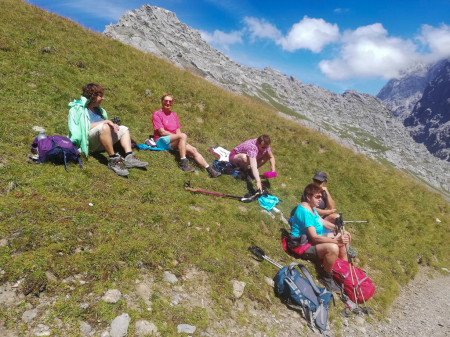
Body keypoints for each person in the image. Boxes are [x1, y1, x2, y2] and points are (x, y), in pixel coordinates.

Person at [68, 83, 148, 176]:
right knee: (105, 126)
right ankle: (113, 160)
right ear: (93, 96)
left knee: (124, 129)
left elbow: (104, 126)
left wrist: (113, 126)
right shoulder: (80, 109)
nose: (102, 98)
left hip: (101, 141)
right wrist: (105, 122)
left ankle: (129, 157)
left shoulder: (98, 110)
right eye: (100, 96)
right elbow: (83, 128)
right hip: (89, 143)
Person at [287, 183, 351, 291]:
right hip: (302, 244)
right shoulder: (305, 212)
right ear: (308, 197)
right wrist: (335, 240)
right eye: (317, 197)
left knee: (343, 236)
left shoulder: (312, 208)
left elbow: (322, 223)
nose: (320, 200)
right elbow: (314, 238)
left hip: (309, 240)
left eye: (321, 197)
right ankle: (326, 276)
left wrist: (338, 228)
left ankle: (344, 269)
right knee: (333, 247)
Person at [152, 93, 220, 178]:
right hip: (161, 141)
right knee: (183, 136)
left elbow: (178, 130)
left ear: (172, 103)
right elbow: (162, 132)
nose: (168, 103)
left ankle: (210, 170)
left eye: (170, 101)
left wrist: (182, 141)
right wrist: (180, 137)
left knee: (194, 150)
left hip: (174, 140)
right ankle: (183, 163)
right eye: (166, 101)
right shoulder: (157, 114)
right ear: (162, 102)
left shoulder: (174, 115)